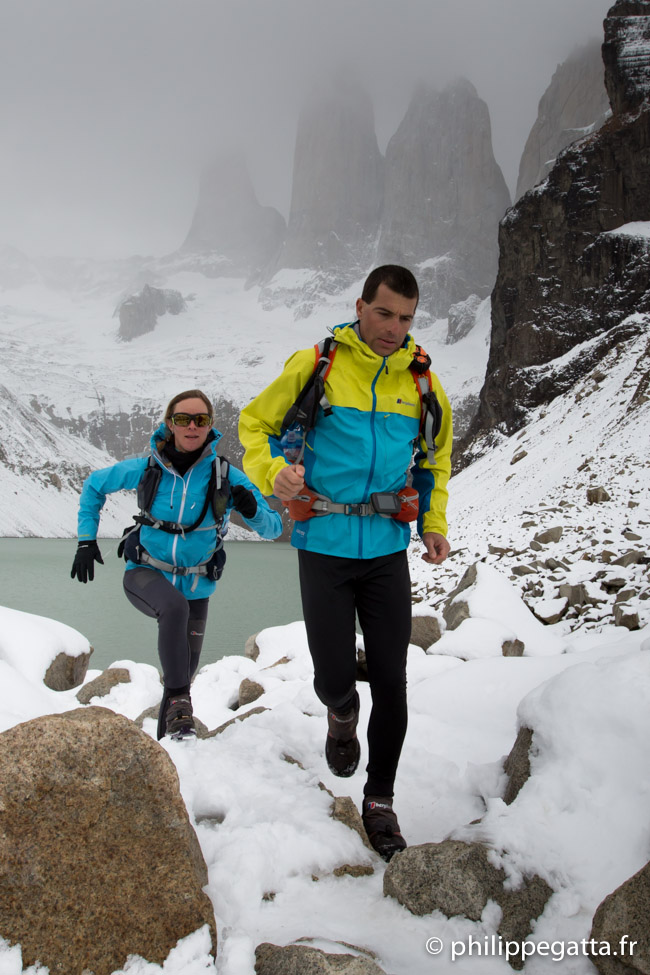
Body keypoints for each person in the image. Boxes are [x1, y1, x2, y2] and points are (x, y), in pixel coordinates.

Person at [239, 265, 452, 860]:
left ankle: (379, 801)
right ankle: (339, 712)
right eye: (384, 313)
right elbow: (253, 424)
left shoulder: (424, 383)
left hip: (387, 550)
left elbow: (435, 462)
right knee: (334, 676)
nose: (394, 328)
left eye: (406, 318)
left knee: (393, 680)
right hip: (324, 548)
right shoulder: (317, 365)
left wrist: (432, 525)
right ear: (361, 305)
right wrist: (272, 473)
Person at [71, 389, 283, 740]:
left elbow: (273, 527)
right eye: (183, 419)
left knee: (179, 675)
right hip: (145, 573)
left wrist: (251, 508)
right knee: (174, 610)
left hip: (199, 585)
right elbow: (94, 486)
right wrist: (85, 539)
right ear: (170, 424)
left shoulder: (226, 475)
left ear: (210, 425)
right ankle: (181, 704)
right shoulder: (147, 468)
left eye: (200, 419)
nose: (191, 426)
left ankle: (170, 748)